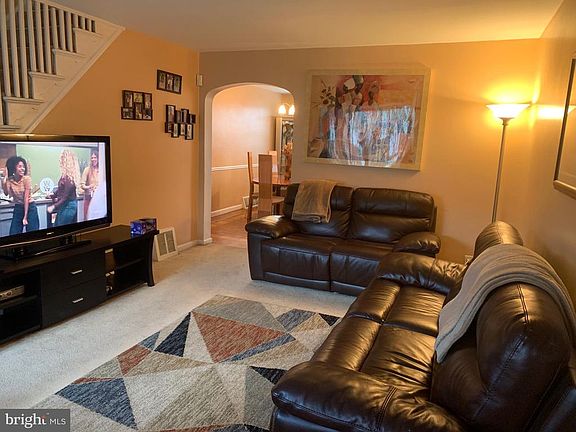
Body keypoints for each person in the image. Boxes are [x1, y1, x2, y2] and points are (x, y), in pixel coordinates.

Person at [1, 156, 39, 234]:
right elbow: (6, 193)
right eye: (20, 166)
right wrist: (4, 179)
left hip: (30, 207)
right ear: (13, 168)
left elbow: (26, 199)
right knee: (14, 233)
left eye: (23, 167)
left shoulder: (26, 179)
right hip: (18, 207)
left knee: (33, 233)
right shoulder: (10, 180)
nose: (23, 169)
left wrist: (25, 217)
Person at [47, 150, 81, 226]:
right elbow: (60, 189)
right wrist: (53, 194)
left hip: (68, 206)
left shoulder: (69, 179)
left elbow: (65, 197)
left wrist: (53, 206)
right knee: (56, 225)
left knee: (60, 227)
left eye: (61, 160)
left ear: (66, 162)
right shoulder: (64, 176)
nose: (60, 162)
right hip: (64, 205)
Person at [80, 150, 99, 220]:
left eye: (95, 157)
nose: (93, 159)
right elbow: (82, 185)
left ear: (98, 159)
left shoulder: (101, 170)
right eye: (92, 158)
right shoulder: (87, 169)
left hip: (98, 199)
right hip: (88, 199)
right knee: (87, 218)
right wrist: (88, 187)